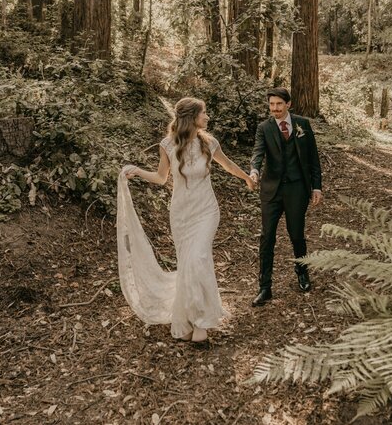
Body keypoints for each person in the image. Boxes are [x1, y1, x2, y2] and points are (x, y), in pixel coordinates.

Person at [117, 97, 254, 343]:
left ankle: (202, 323)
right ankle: (188, 319)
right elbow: (161, 178)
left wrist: (246, 178)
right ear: (191, 117)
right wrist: (137, 171)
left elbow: (228, 164)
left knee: (199, 258)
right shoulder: (168, 145)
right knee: (188, 265)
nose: (208, 117)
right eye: (204, 113)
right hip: (181, 214)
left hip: (206, 211)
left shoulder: (210, 143)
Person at [249, 87, 323, 307]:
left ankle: (302, 272)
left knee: (297, 234)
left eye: (279, 104)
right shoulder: (264, 128)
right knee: (267, 237)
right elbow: (258, 153)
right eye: (271, 105)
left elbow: (313, 159)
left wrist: (316, 187)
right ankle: (265, 287)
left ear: (288, 104)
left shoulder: (303, 125)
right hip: (271, 190)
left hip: (297, 189)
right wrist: (254, 170)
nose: (275, 109)